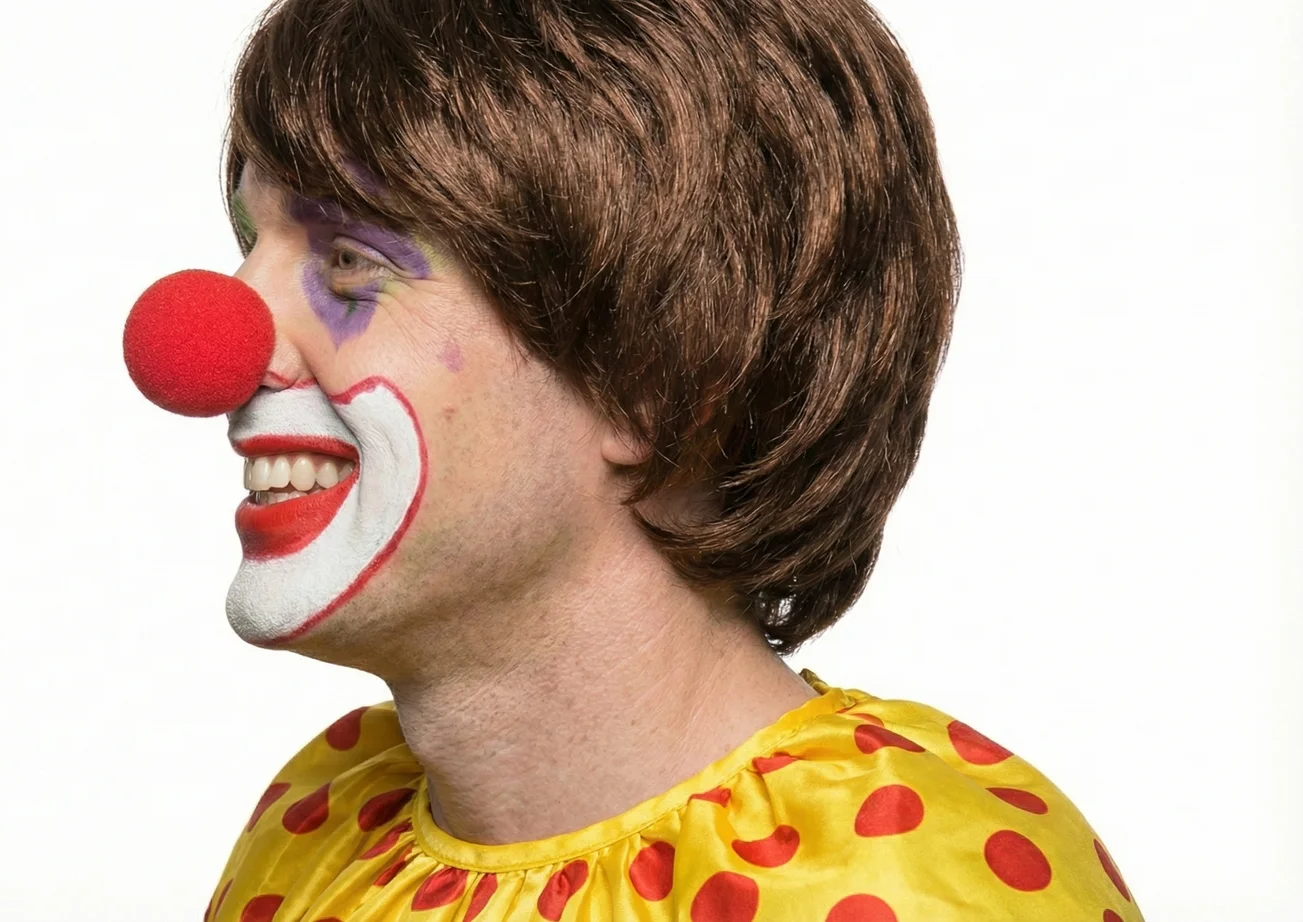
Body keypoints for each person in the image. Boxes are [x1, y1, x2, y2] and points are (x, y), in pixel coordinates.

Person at [119, 0, 1143, 919]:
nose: (216, 348)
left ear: (653, 376)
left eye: (349, 261)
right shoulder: (314, 832)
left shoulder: (911, 888)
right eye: (248, 243)